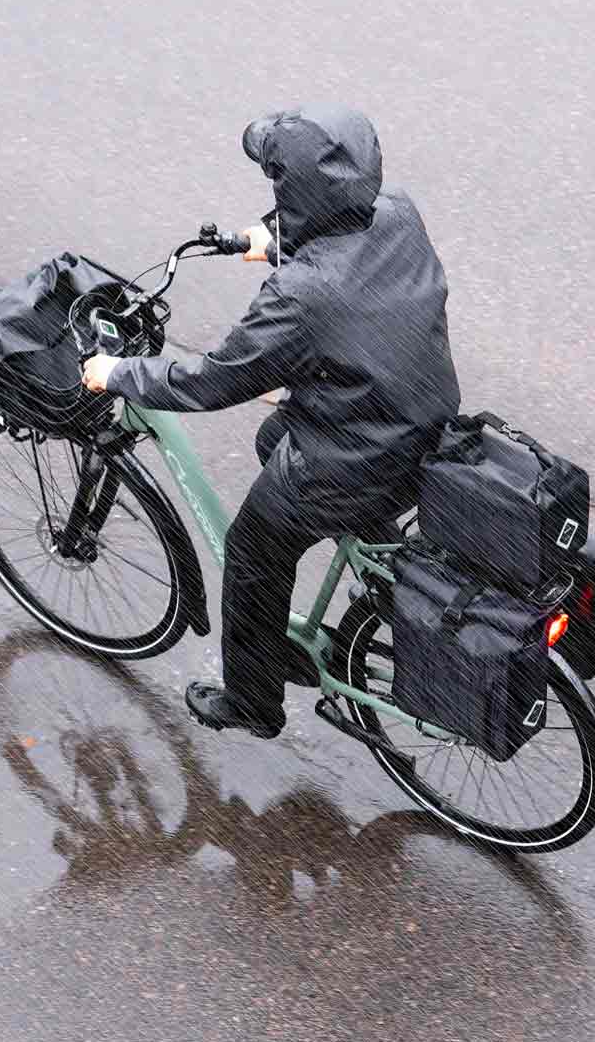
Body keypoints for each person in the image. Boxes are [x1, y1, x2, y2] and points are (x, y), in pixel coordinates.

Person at [81, 104, 460, 739]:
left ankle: (252, 701)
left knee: (254, 553)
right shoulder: (399, 213)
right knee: (272, 437)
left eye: (277, 179)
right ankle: (373, 560)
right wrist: (271, 240)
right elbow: (347, 248)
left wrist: (116, 374)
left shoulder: (302, 296)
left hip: (355, 457)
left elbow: (212, 381)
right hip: (420, 420)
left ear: (296, 189)